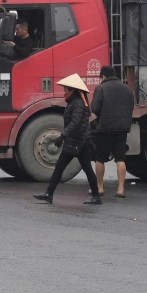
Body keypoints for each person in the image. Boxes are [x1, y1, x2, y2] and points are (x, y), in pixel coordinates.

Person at [35, 74, 101, 205]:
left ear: (73, 90)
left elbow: (75, 122)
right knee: (76, 168)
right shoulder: (76, 102)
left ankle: (49, 194)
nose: (64, 92)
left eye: (66, 89)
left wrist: (62, 136)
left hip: (77, 141)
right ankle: (49, 193)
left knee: (67, 168)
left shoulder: (78, 104)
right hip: (78, 140)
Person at [90, 65, 135, 198]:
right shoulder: (127, 89)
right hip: (122, 128)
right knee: (120, 158)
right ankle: (120, 189)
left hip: (105, 128)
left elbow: (95, 108)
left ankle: (100, 188)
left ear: (103, 76)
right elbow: (131, 107)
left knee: (100, 159)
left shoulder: (101, 88)